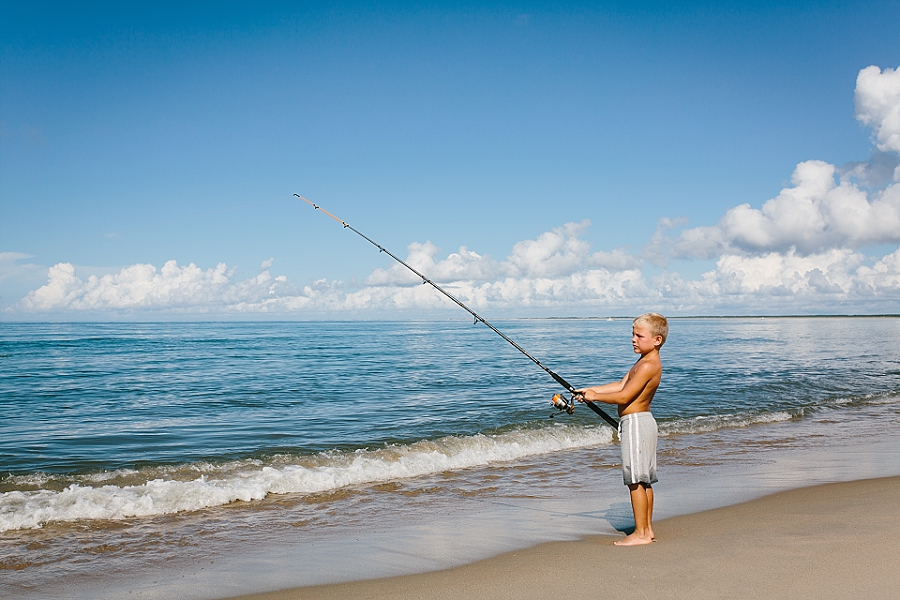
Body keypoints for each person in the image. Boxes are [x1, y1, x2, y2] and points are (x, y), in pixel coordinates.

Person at [576, 313, 667, 546]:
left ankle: (640, 533)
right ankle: (646, 529)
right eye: (632, 334)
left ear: (657, 340)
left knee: (635, 480)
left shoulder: (648, 365)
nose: (633, 339)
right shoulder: (644, 362)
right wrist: (591, 390)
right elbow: (620, 385)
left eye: (639, 335)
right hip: (642, 421)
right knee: (643, 480)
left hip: (636, 423)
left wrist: (596, 397)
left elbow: (625, 396)